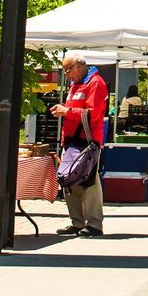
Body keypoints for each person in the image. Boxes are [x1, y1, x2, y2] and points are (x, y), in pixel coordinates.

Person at [51, 55, 110, 236]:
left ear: (78, 66)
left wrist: (67, 111)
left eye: (68, 70)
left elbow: (94, 114)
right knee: (69, 180)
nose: (67, 75)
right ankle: (77, 222)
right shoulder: (75, 84)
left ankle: (94, 224)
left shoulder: (96, 83)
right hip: (71, 141)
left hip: (88, 141)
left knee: (89, 181)